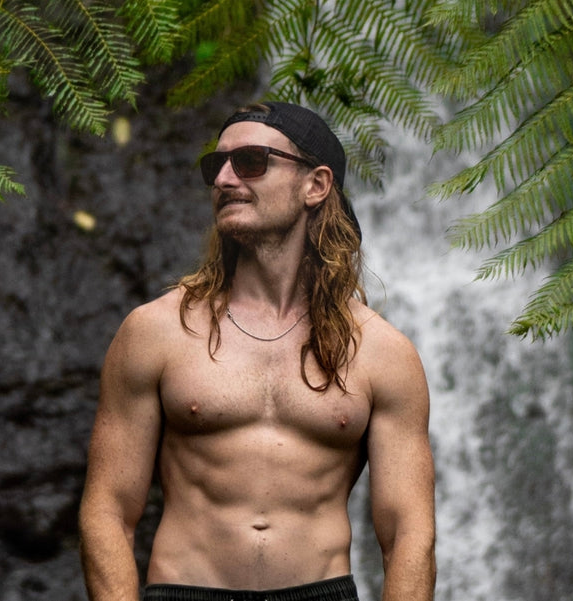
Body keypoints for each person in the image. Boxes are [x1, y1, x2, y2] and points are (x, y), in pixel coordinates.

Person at [78, 101, 435, 601]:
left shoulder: (381, 351)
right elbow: (107, 511)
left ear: (316, 185)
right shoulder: (155, 331)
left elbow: (409, 535)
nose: (224, 178)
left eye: (250, 161)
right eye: (216, 165)